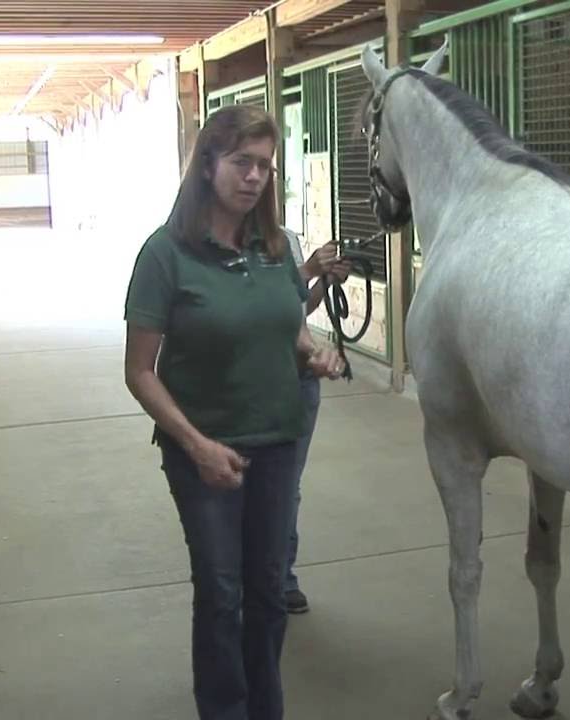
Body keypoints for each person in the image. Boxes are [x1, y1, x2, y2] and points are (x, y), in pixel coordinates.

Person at [122, 103, 345, 720]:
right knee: (222, 594)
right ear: (207, 166)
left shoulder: (275, 248)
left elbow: (287, 327)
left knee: (268, 593)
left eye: (265, 167)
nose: (254, 177)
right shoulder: (165, 255)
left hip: (277, 441)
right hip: (204, 454)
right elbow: (139, 371)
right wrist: (196, 445)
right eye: (242, 162)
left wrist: (313, 351)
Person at [281, 229, 351, 614]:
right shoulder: (226, 242)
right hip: (261, 381)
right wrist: (307, 269)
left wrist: (322, 280)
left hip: (299, 379)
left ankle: (281, 577)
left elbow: (298, 308)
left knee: (287, 485)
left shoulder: (285, 239)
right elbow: (264, 300)